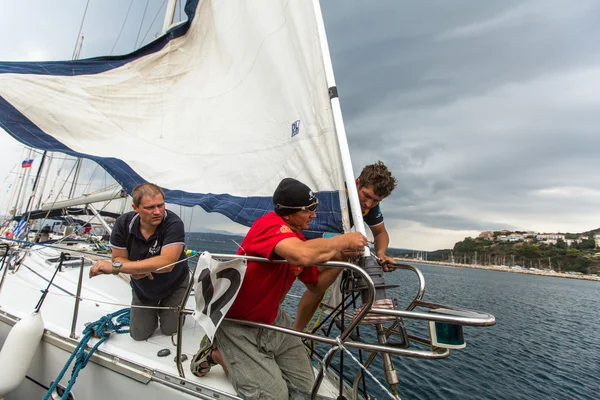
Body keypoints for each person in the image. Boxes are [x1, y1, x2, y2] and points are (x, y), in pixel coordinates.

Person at [190, 178, 368, 399]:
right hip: (238, 323)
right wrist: (343, 241)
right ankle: (217, 352)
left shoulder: (297, 239)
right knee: (272, 396)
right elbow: (301, 254)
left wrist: (344, 259)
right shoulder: (269, 225)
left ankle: (254, 361)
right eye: (310, 209)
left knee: (305, 388)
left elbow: (315, 286)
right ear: (289, 212)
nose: (314, 214)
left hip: (272, 319)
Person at [293, 160, 398, 331]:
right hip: (298, 243)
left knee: (318, 286)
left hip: (323, 249)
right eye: (366, 195)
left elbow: (380, 233)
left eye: (376, 200)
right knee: (281, 276)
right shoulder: (334, 193)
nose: (369, 204)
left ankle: (297, 333)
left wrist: (381, 253)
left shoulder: (369, 208)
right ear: (357, 183)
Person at [89, 183, 190, 340]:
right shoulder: (123, 224)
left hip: (174, 283)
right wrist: (135, 270)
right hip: (144, 286)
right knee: (139, 335)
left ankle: (169, 312)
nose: (157, 212)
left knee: (170, 329)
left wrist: (116, 268)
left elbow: (168, 263)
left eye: (161, 205)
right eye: (150, 208)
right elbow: (118, 257)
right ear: (135, 207)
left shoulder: (173, 224)